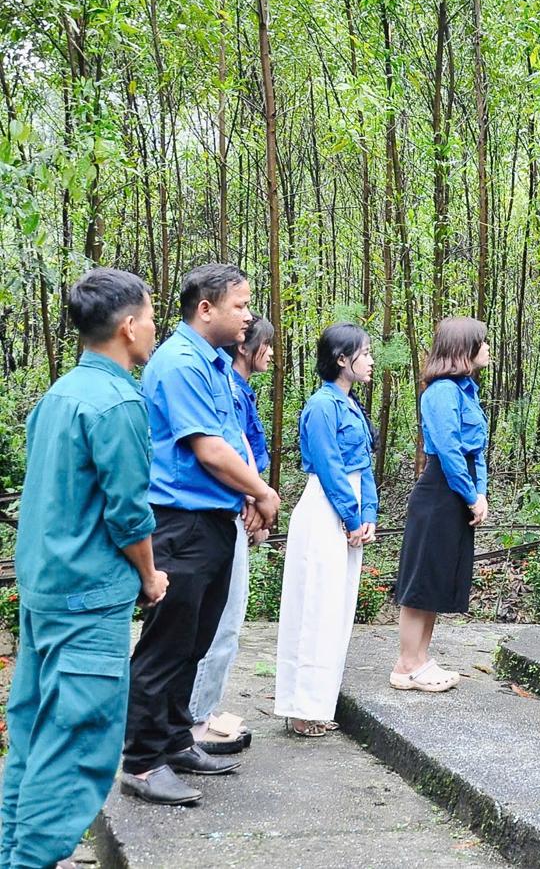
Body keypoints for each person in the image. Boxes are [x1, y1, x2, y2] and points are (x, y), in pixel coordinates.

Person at [0, 269, 169, 867]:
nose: (154, 327)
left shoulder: (61, 394)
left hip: (44, 593)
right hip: (87, 603)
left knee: (32, 739)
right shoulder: (118, 402)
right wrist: (150, 578)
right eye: (149, 317)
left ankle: (12, 853)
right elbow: (128, 516)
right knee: (74, 749)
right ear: (128, 327)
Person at [121, 263, 281, 806]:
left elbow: (232, 439)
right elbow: (209, 449)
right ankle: (141, 762)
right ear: (205, 309)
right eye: (240, 305)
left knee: (194, 643)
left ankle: (174, 741)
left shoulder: (214, 364)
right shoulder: (181, 361)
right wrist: (263, 493)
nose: (249, 315)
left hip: (211, 521)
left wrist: (244, 495)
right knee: (166, 645)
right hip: (179, 523)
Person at [275, 323, 377, 737]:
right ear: (341, 359)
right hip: (325, 511)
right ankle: (302, 708)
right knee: (315, 605)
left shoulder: (351, 405)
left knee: (337, 608)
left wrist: (367, 513)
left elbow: (363, 464)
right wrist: (352, 518)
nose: (371, 361)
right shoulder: (321, 406)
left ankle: (321, 702)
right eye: (365, 353)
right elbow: (331, 467)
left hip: (349, 510)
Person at [188, 314, 275, 755]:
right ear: (245, 347)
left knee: (225, 622)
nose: (272, 353)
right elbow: (226, 451)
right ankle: (196, 717)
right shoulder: (224, 387)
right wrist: (253, 497)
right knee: (221, 622)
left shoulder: (241, 391)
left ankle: (201, 709)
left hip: (242, 504)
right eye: (266, 345)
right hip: (229, 509)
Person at [391, 318, 490, 691]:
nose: (488, 349)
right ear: (463, 349)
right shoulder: (442, 392)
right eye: (482, 343)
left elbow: (476, 449)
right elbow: (449, 450)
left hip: (458, 492)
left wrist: (479, 493)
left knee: (436, 580)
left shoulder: (467, 391)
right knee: (422, 579)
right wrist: (469, 494)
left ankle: (421, 659)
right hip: (438, 492)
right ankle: (407, 664)